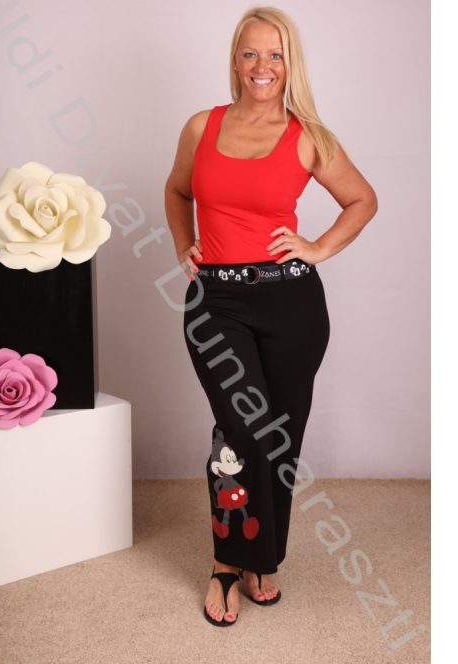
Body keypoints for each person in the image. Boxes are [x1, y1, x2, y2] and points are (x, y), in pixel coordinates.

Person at [164, 6, 377, 627]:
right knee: (240, 434)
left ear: (290, 64)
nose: (263, 66)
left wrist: (318, 248)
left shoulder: (308, 135)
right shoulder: (201, 126)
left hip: (291, 303)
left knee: (278, 437)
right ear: (236, 61)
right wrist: (183, 244)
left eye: (275, 55)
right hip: (216, 303)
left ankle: (263, 558)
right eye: (251, 53)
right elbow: (177, 190)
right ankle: (226, 564)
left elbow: (362, 200)